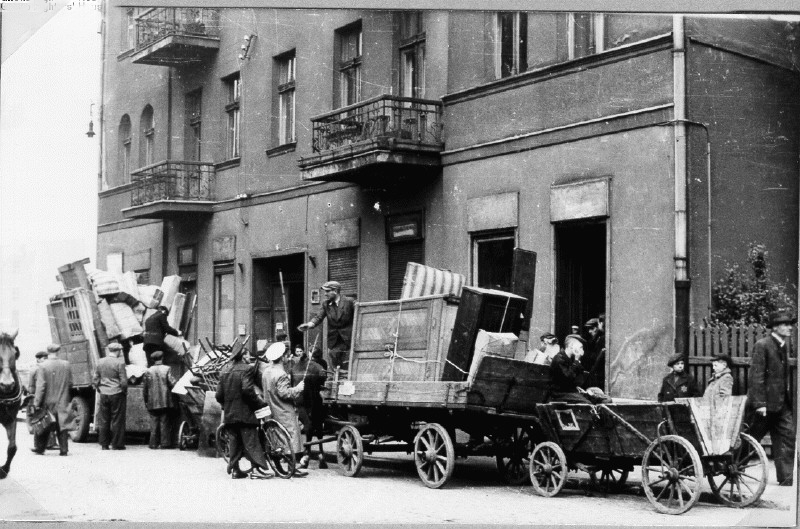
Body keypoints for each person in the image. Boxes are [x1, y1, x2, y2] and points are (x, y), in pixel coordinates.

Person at [748, 309, 797, 486]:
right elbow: (756, 375)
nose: (790, 327)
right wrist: (759, 403)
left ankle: (786, 478)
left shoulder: (783, 346)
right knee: (751, 439)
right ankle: (731, 467)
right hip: (765, 405)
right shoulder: (763, 345)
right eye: (786, 324)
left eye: (790, 324)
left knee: (787, 438)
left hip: (781, 404)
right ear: (775, 327)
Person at [215, 345, 274, 480]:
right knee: (251, 441)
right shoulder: (247, 369)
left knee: (234, 442)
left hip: (230, 414)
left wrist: (227, 405)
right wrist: (259, 403)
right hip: (245, 412)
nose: (249, 358)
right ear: (242, 356)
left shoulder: (224, 370)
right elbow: (247, 390)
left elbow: (218, 395)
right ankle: (256, 470)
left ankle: (235, 470)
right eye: (247, 355)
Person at [262, 342, 308, 477]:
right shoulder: (281, 374)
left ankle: (280, 467)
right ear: (282, 358)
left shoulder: (266, 372)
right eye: (287, 356)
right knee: (292, 436)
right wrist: (298, 389)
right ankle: (291, 466)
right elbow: (285, 393)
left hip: (271, 410)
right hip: (283, 410)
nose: (288, 358)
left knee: (275, 438)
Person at [298, 281, 355, 371]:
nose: (325, 294)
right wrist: (309, 325)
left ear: (335, 291)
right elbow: (318, 317)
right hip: (334, 341)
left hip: (349, 340)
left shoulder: (349, 302)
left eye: (327, 291)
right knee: (333, 360)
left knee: (348, 364)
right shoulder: (326, 304)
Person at [288, 345, 328, 469]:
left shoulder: (294, 368)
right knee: (318, 427)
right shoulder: (319, 367)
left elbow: (291, 385)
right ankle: (320, 454)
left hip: (301, 401)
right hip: (315, 399)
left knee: (308, 426)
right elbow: (323, 380)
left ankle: (306, 454)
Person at [31, 344, 72, 456]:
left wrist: (37, 402)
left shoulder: (43, 366)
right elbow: (70, 383)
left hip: (47, 401)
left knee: (45, 423)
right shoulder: (66, 364)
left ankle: (40, 448)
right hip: (62, 400)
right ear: (58, 351)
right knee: (62, 424)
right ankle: (64, 449)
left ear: (48, 352)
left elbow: (41, 386)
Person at [93, 342, 128, 450]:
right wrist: (124, 391)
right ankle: (117, 444)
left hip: (104, 393)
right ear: (118, 351)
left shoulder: (100, 362)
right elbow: (123, 381)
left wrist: (98, 388)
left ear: (109, 350)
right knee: (117, 420)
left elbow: (96, 378)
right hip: (116, 392)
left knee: (104, 419)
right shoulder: (120, 363)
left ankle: (104, 444)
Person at [143, 351, 177, 449]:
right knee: (164, 421)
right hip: (165, 400)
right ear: (162, 358)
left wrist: (146, 400)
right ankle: (165, 443)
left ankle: (153, 444)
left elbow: (145, 388)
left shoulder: (148, 371)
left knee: (154, 422)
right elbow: (172, 383)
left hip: (152, 401)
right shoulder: (167, 369)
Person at [28, 350, 59, 450]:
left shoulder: (35, 369)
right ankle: (50, 443)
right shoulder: (47, 368)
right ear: (38, 359)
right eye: (44, 358)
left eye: (46, 358)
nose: (45, 360)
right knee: (48, 419)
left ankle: (42, 444)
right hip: (47, 397)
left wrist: (32, 397)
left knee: (40, 419)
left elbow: (31, 386)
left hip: (39, 397)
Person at [548, 335, 590, 403]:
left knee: (600, 399)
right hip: (559, 394)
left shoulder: (571, 359)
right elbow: (568, 377)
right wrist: (576, 361)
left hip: (570, 391)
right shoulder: (559, 359)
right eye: (580, 347)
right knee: (587, 404)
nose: (582, 351)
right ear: (571, 346)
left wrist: (576, 387)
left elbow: (579, 379)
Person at [583, 318, 606, 388]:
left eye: (592, 328)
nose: (590, 331)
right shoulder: (592, 340)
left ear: (597, 328)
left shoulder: (602, 339)